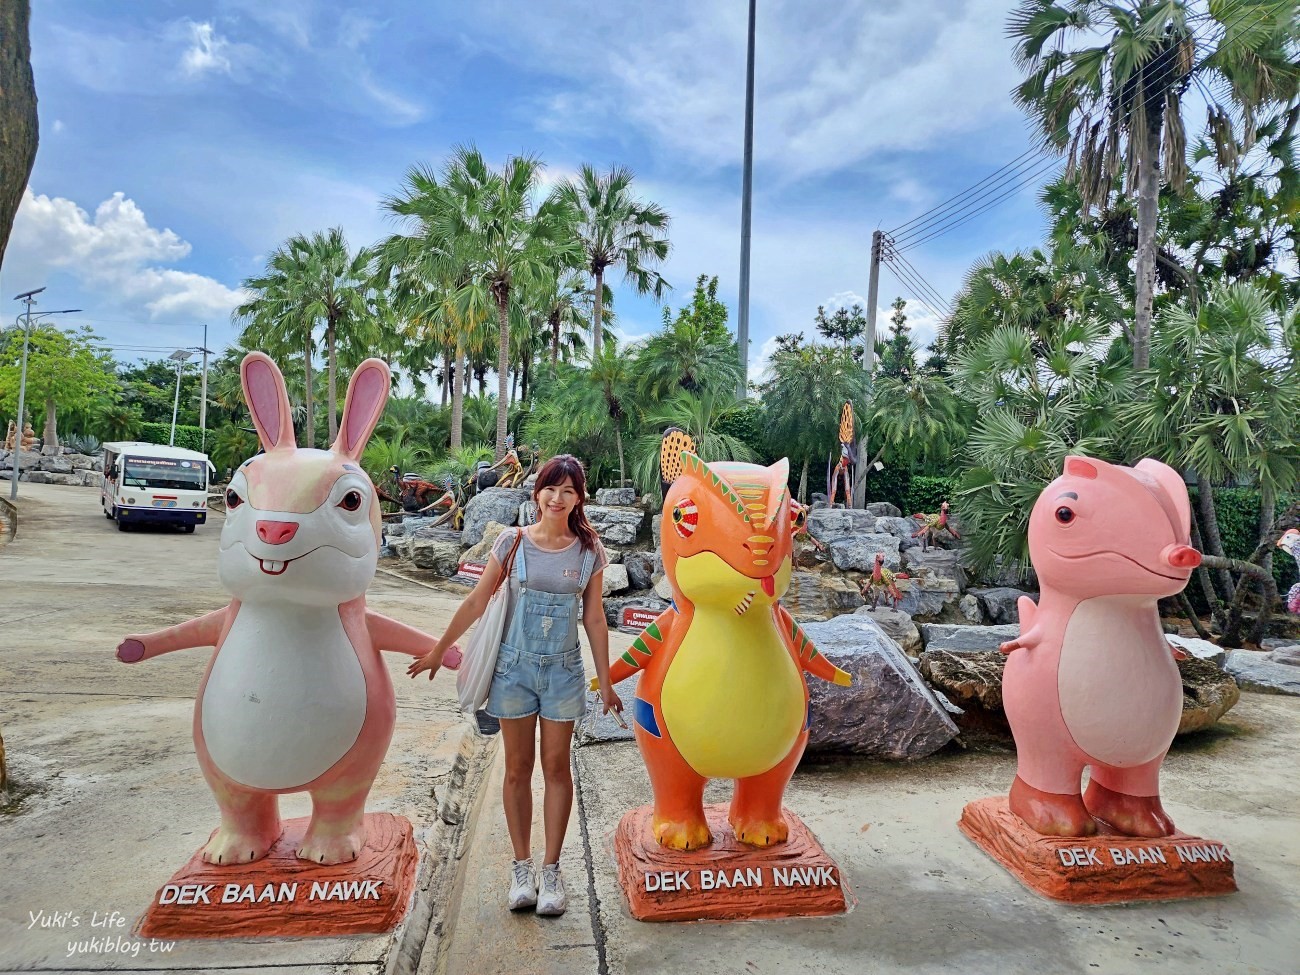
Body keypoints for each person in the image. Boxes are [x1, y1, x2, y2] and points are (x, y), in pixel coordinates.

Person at [408, 454, 623, 916]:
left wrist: (605, 682)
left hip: (564, 674)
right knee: (516, 768)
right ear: (536, 492)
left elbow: (595, 618)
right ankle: (521, 868)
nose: (557, 498)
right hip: (513, 671)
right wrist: (438, 648)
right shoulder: (512, 543)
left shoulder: (590, 551)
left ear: (579, 498)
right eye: (550, 488)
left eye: (568, 490)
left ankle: (551, 871)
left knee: (556, 769)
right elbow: (476, 600)